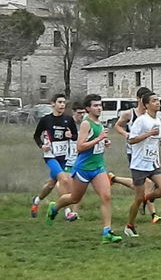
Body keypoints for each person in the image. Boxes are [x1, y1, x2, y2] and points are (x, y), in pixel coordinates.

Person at [45, 94, 122, 244]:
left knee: (106, 196)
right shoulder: (86, 123)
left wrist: (104, 142)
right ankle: (55, 207)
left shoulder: (99, 123)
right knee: (74, 198)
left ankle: (107, 231)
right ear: (88, 108)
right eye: (95, 105)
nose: (99, 108)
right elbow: (80, 147)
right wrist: (99, 139)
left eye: (100, 105)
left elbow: (94, 142)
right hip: (83, 168)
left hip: (98, 167)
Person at [124, 91, 161, 237]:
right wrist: (148, 134)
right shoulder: (141, 120)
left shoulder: (159, 120)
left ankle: (146, 199)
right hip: (139, 164)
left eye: (158, 100)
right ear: (146, 105)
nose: (158, 103)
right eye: (154, 101)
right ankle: (129, 226)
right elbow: (131, 140)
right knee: (137, 198)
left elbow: (156, 140)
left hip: (153, 162)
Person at [112, 86, 161, 223]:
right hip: (134, 152)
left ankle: (115, 179)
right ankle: (153, 213)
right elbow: (117, 126)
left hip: (149, 154)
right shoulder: (130, 114)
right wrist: (126, 134)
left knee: (148, 184)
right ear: (139, 100)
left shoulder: (154, 117)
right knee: (145, 184)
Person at [31, 93, 78, 221]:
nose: (62, 105)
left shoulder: (68, 119)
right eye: (60, 102)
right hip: (50, 156)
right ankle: (67, 211)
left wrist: (71, 136)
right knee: (64, 179)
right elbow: (36, 135)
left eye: (64, 102)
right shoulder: (46, 120)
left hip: (63, 156)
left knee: (51, 184)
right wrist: (41, 146)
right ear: (53, 104)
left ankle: (36, 200)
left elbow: (75, 136)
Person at [61, 102, 87, 220]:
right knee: (65, 185)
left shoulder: (86, 124)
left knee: (78, 188)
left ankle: (75, 213)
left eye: (83, 113)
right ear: (73, 112)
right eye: (79, 113)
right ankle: (66, 209)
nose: (81, 115)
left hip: (80, 160)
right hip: (67, 159)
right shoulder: (67, 123)